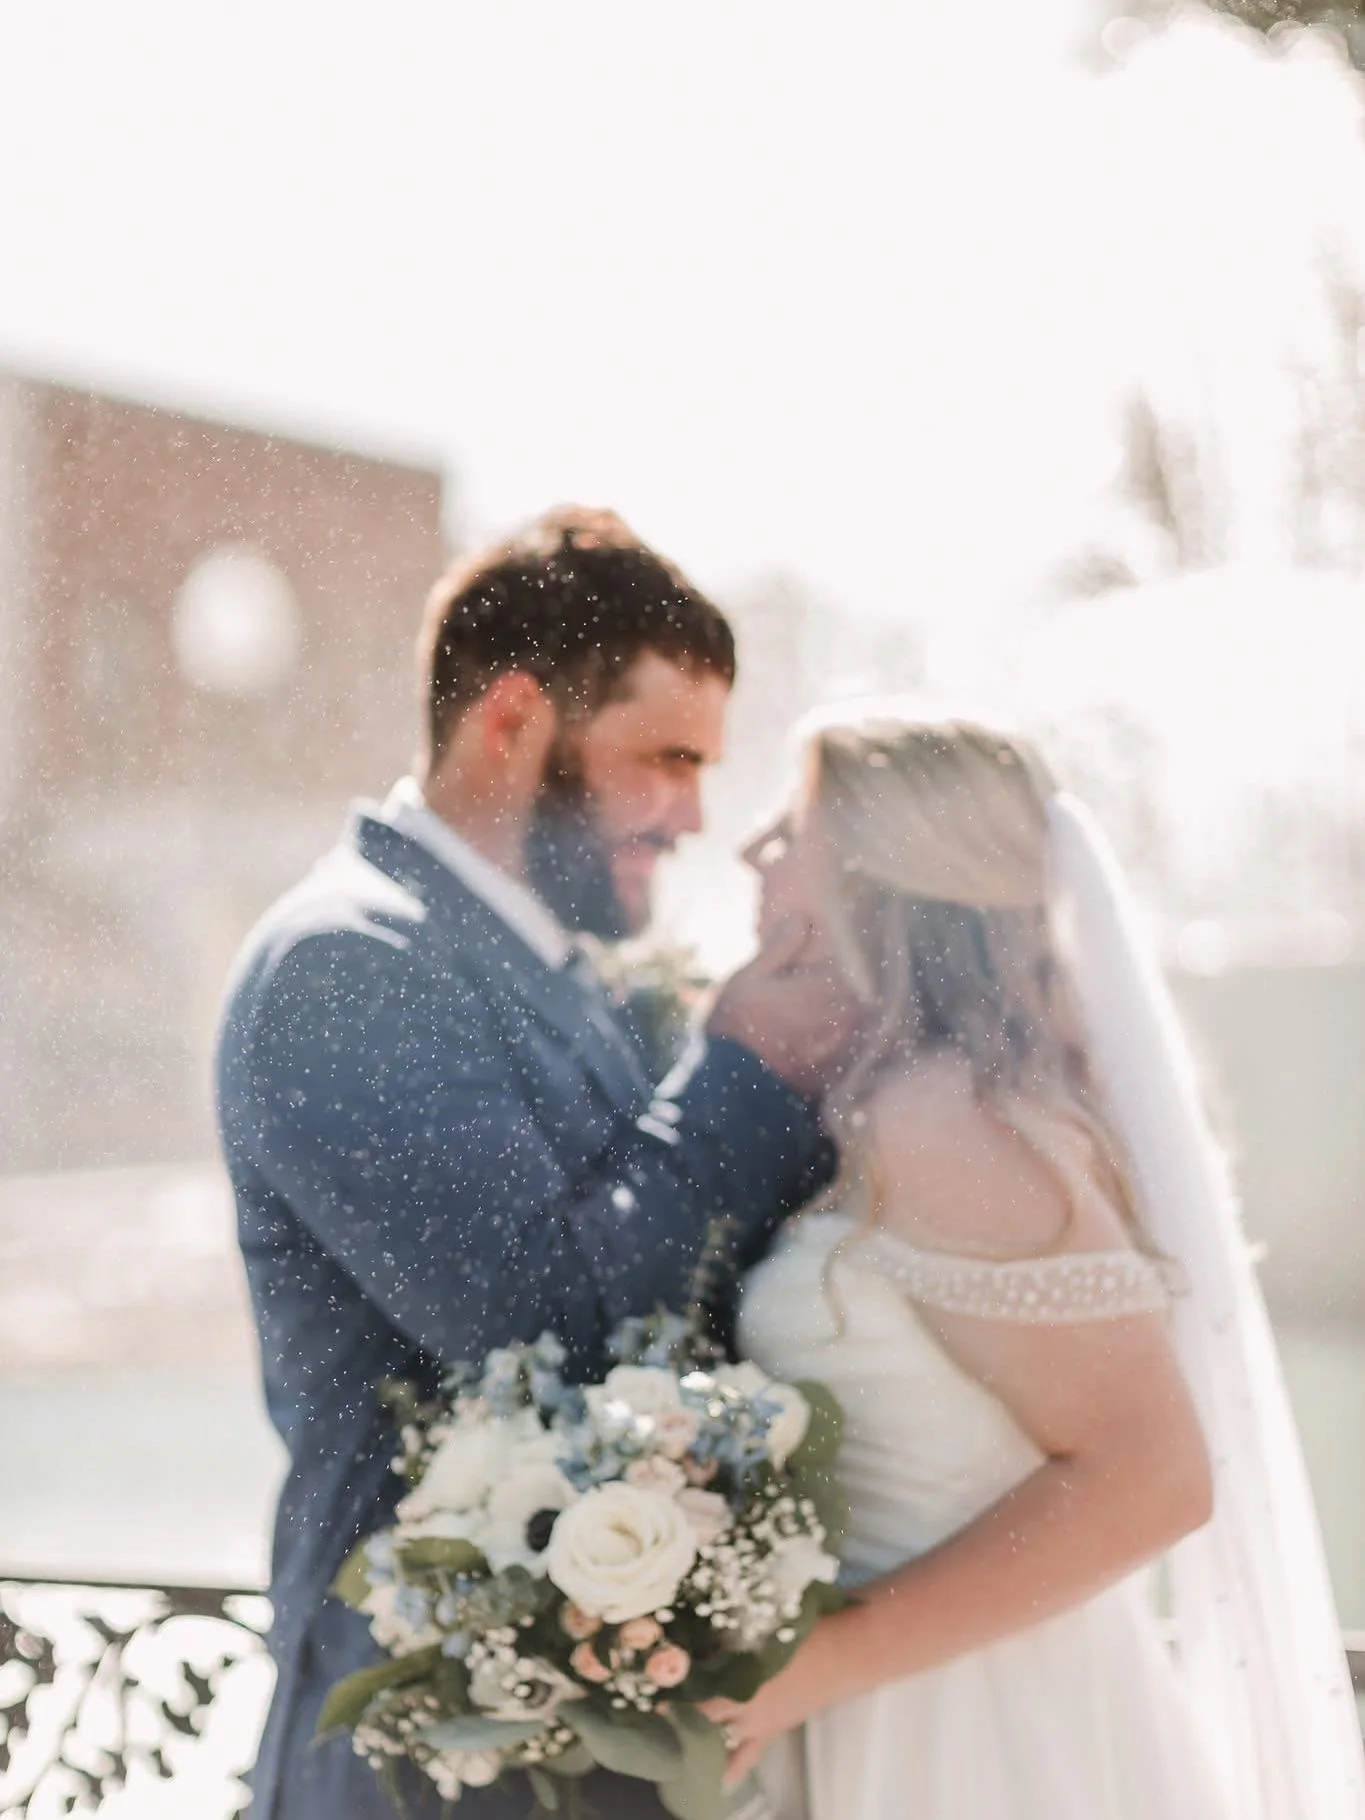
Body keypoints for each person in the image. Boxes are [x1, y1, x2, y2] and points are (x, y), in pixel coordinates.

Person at [214, 507, 853, 1820]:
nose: (692, 815)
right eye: (664, 758)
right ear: (510, 720)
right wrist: (743, 1060)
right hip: (424, 1766)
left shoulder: (555, 964)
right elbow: (546, 1321)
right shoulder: (347, 966)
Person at [705, 710, 1365, 1820]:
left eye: (787, 832)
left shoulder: (943, 1117)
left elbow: (1152, 1478)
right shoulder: (916, 1098)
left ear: (879, 870)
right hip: (914, 1700)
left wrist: (822, 1664)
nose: (748, 852)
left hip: (983, 1735)